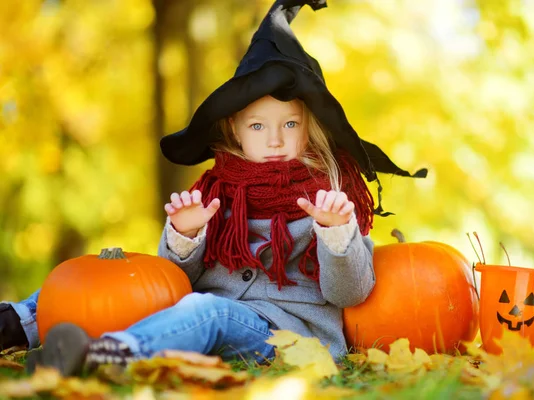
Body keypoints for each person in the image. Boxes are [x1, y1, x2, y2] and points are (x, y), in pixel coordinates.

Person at [3, 0, 426, 376]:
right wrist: (185, 238)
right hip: (197, 308)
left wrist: (337, 234)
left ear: (309, 128)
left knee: (207, 311)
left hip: (287, 336)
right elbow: (171, 281)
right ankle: (18, 322)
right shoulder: (217, 189)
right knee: (109, 278)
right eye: (258, 126)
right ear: (236, 131)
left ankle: (112, 354)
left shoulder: (330, 195)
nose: (274, 139)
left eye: (289, 125)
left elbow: (350, 292)